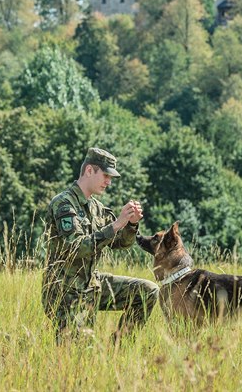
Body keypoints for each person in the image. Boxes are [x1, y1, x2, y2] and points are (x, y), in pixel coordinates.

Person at [42, 147, 159, 344]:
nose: (109, 182)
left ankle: (118, 347)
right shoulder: (64, 204)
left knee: (148, 291)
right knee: (80, 353)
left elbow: (121, 243)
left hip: (92, 286)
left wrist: (130, 224)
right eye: (105, 175)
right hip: (66, 293)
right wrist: (116, 225)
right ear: (89, 171)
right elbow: (76, 248)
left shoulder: (97, 208)